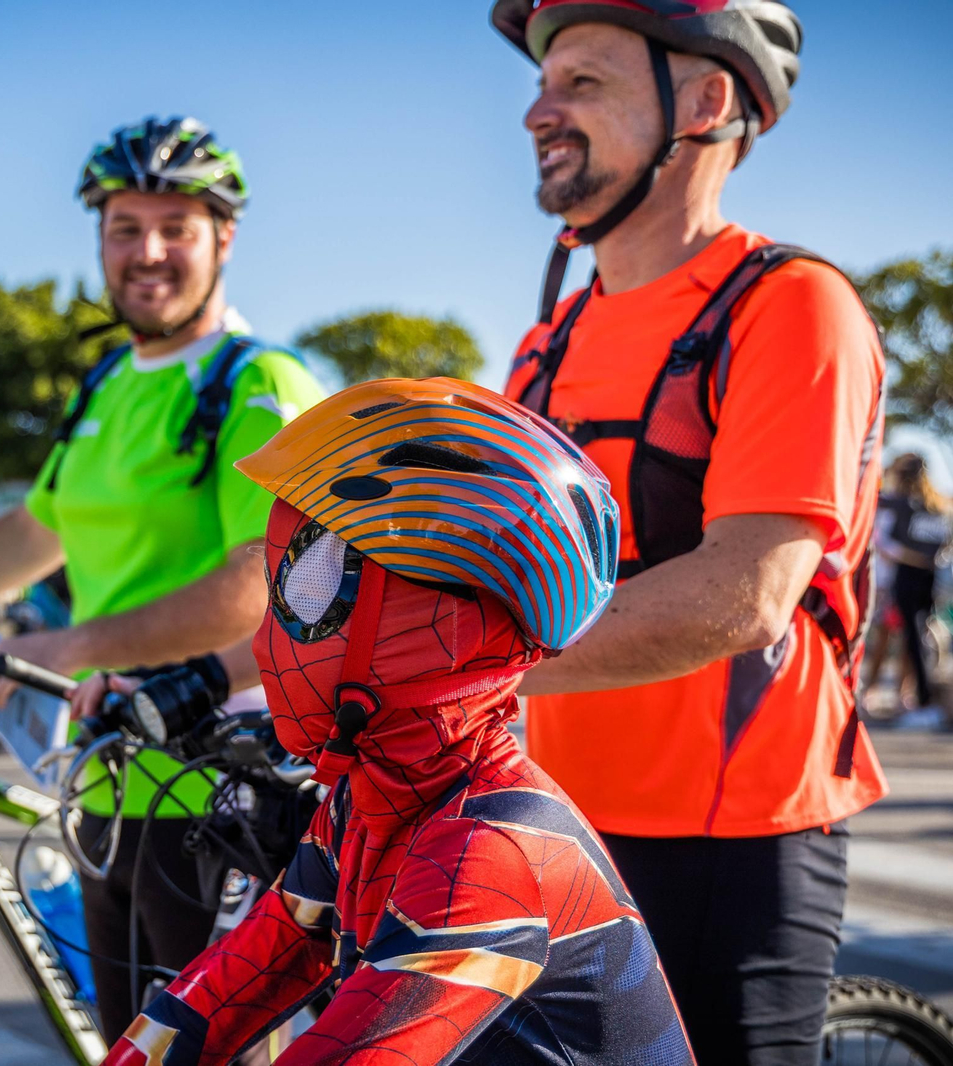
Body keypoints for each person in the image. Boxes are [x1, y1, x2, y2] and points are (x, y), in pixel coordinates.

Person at [0, 115, 326, 1039]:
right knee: (126, 1044)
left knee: (199, 1053)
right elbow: (30, 532)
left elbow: (266, 581)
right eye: (125, 228)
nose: (149, 252)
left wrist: (63, 644)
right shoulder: (108, 386)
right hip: (104, 779)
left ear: (225, 239)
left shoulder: (260, 382)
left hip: (214, 789)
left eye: (177, 227)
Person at [488, 2, 887, 1061]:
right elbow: (477, 571)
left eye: (583, 82)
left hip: (736, 844)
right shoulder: (544, 343)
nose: (539, 109)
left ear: (704, 100)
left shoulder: (790, 305)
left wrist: (451, 666)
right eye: (543, 83)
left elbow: (743, 591)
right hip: (560, 824)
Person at [103, 378, 692, 1065]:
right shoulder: (373, 799)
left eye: (314, 594)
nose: (270, 641)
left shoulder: (497, 854)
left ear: (443, 623)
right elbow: (224, 989)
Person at [875, 452, 950, 725]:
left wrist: (912, 558)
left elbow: (887, 544)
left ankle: (922, 698)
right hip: (929, 578)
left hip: (908, 578)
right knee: (918, 638)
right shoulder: (937, 507)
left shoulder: (903, 505)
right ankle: (914, 696)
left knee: (913, 638)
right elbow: (942, 546)